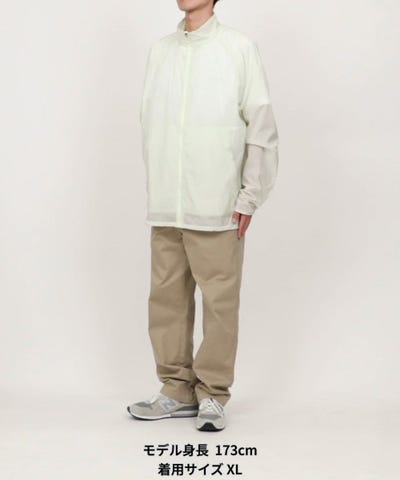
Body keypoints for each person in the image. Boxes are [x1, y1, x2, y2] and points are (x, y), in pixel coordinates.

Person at [127, 0, 279, 431]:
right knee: (166, 300)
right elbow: (149, 121)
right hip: (167, 204)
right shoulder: (161, 50)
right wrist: (159, 185)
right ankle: (176, 389)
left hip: (217, 203)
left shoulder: (238, 48)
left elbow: (261, 125)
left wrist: (250, 195)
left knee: (219, 304)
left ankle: (212, 393)